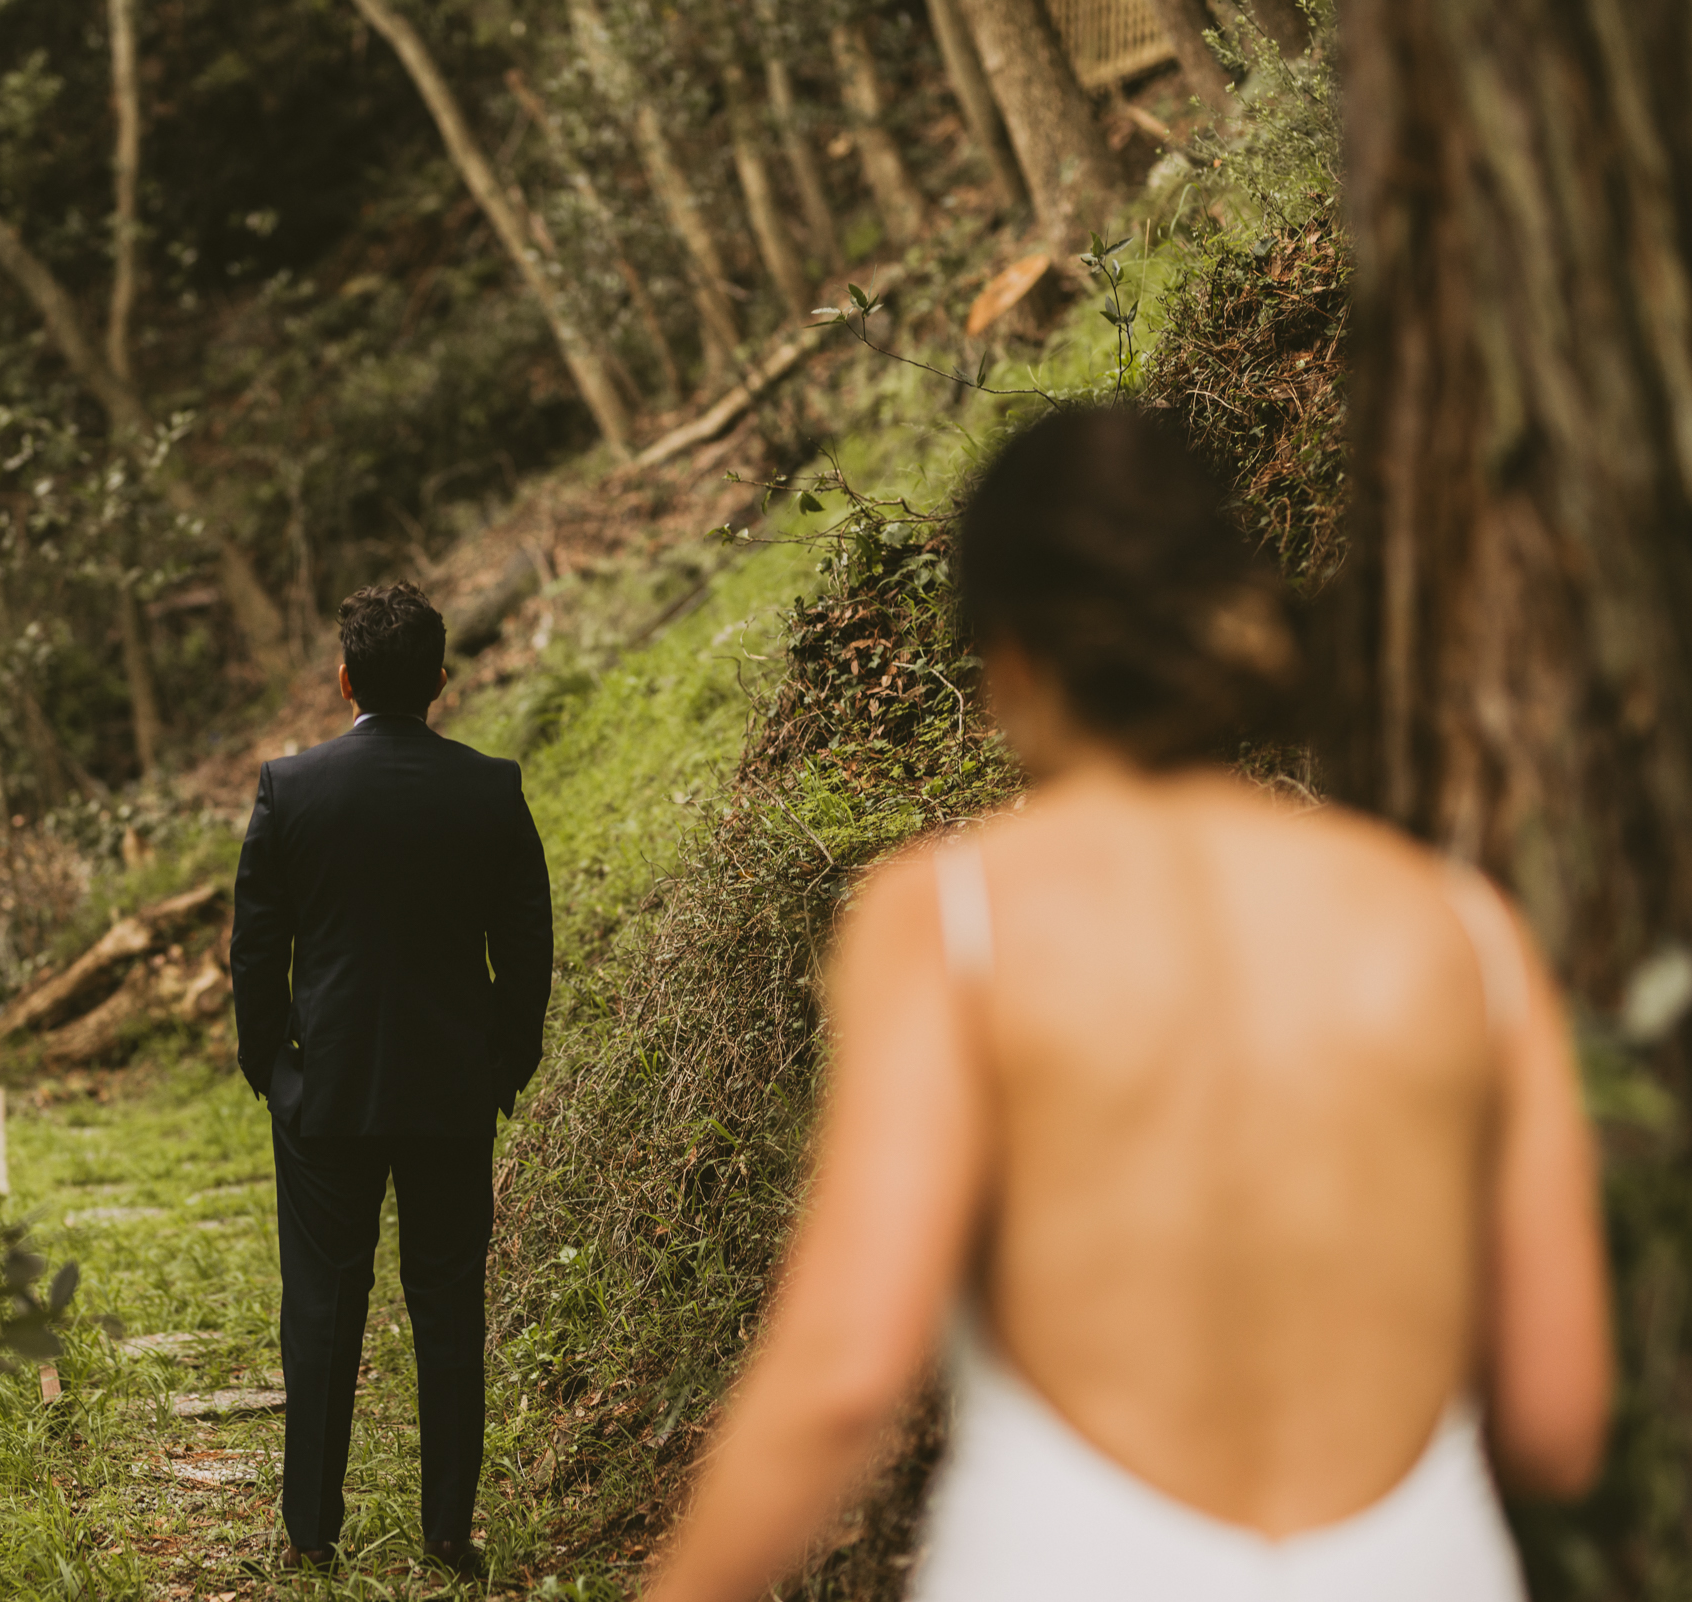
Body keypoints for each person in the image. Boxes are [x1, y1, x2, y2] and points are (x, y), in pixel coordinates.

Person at [639, 407, 1612, 1602]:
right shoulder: (1460, 927)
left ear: (1011, 662)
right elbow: (1557, 1424)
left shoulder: (955, 921)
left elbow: (846, 1372)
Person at [230, 581, 554, 1577]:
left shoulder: (292, 789)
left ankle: (310, 1538)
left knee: (323, 1310)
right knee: (449, 1308)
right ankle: (450, 1536)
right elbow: (528, 945)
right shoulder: (490, 789)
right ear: (441, 684)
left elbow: (255, 951)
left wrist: (272, 1071)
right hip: (452, 1092)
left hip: (325, 1095)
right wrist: (504, 1062)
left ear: (344, 681)